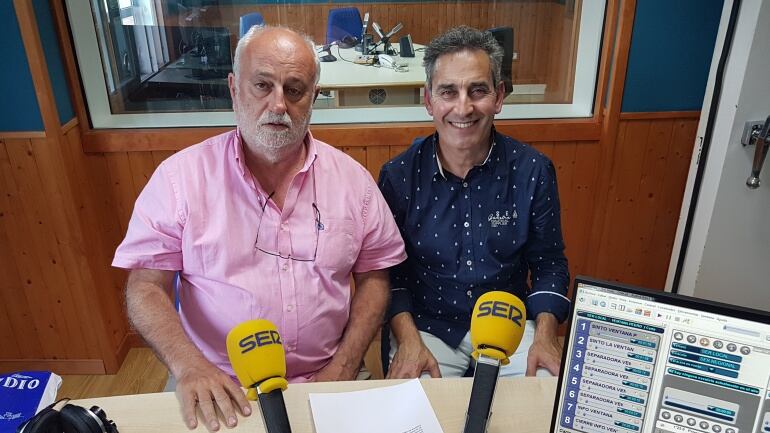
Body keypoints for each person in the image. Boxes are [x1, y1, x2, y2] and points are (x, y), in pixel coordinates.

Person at [113, 26, 405, 432]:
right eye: (262, 85)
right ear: (235, 89)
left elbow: (374, 278)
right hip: (217, 383)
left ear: (314, 98)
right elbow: (144, 285)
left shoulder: (353, 182)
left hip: (327, 375)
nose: (278, 105)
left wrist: (344, 365)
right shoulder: (179, 180)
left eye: (295, 89)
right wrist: (189, 367)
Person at [378, 26, 570, 380]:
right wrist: (407, 340)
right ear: (429, 101)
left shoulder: (532, 170)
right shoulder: (398, 176)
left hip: (508, 320)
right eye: (448, 91)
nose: (463, 107)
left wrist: (546, 336)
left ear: (498, 97)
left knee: (545, 395)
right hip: (429, 326)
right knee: (414, 410)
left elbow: (548, 264)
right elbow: (390, 275)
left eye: (477, 90)